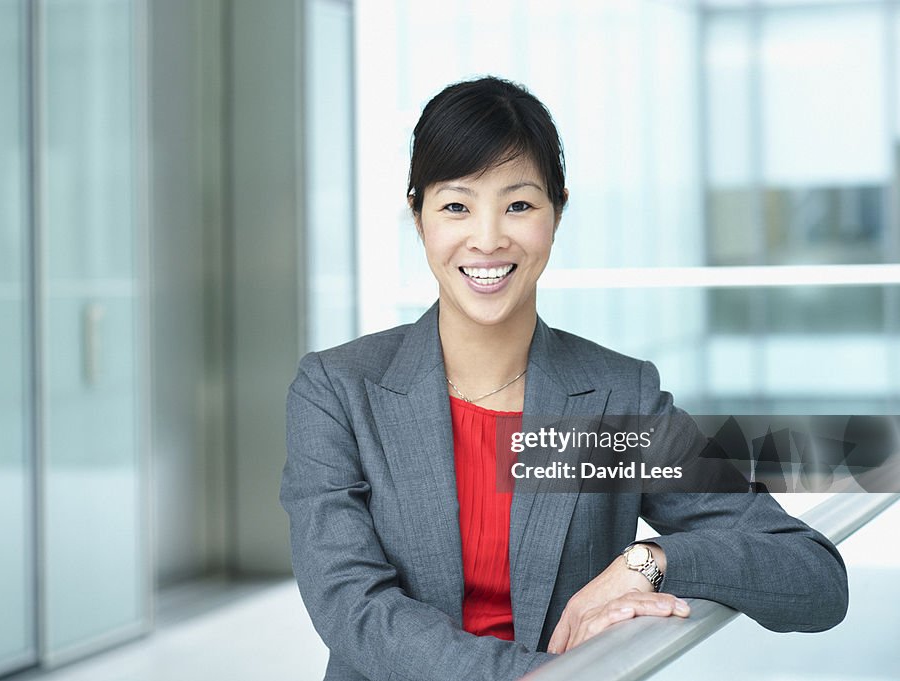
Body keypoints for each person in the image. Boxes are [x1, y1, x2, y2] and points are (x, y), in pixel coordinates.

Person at [280, 76, 848, 681]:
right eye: (456, 206)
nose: (489, 238)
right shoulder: (339, 391)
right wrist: (535, 675)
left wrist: (650, 560)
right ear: (418, 217)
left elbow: (813, 576)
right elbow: (352, 608)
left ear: (557, 213)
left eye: (519, 204)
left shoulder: (616, 400)